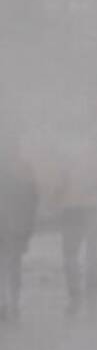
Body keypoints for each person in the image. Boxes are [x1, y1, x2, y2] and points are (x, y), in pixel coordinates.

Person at [52, 145, 97, 316]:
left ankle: (75, 293)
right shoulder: (96, 166)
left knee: (71, 254)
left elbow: (57, 190)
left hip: (72, 211)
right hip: (92, 209)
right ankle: (92, 290)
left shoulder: (66, 166)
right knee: (92, 253)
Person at [0, 135, 38, 321]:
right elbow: (32, 199)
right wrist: (29, 224)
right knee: (14, 264)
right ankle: (12, 301)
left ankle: (5, 302)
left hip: (9, 223)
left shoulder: (19, 169)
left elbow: (32, 198)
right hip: (17, 224)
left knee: (5, 263)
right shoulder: (24, 169)